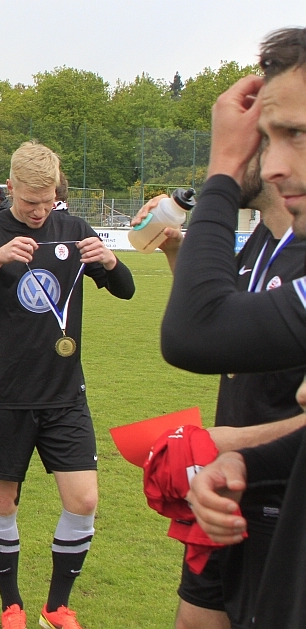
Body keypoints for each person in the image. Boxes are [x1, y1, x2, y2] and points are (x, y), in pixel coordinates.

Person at [159, 27, 306, 628]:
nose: (273, 164)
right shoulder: (268, 243)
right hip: (246, 493)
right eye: (268, 137)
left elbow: (195, 331)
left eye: (296, 134)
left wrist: (221, 170)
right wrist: (248, 462)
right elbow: (217, 325)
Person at [133, 156, 306, 629]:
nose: (221, 163)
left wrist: (233, 443)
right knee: (194, 620)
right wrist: (176, 249)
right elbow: (213, 326)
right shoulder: (264, 238)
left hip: (285, 499)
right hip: (223, 489)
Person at [0, 142, 134, 629]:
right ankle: (12, 605)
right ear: (11, 188)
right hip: (4, 392)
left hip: (64, 393)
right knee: (2, 502)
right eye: (29, 202)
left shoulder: (73, 230)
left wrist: (110, 262)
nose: (39, 212)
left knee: (84, 500)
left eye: (48, 201)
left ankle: (57, 607)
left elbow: (125, 290)